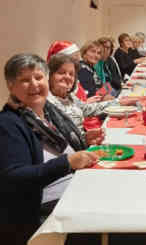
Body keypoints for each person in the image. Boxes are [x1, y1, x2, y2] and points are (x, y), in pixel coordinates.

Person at [0, 54, 101, 245]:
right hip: (45, 210)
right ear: (11, 86)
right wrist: (67, 163)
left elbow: (64, 149)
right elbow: (14, 176)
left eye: (38, 77)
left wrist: (84, 140)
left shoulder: (48, 112)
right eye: (24, 80)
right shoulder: (8, 124)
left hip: (75, 188)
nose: (34, 84)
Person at [47, 54, 136, 136]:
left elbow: (87, 109)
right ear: (50, 75)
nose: (67, 77)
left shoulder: (69, 96)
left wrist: (119, 102)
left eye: (71, 74)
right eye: (62, 72)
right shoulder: (47, 103)